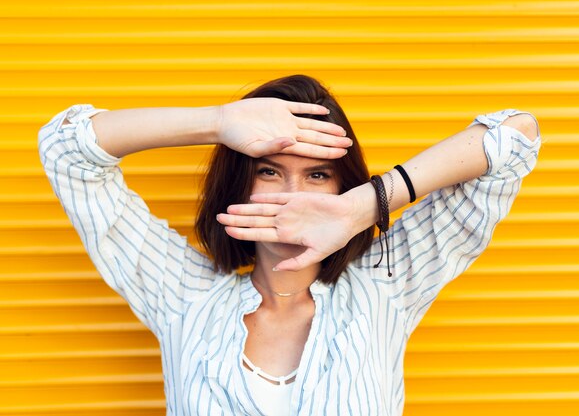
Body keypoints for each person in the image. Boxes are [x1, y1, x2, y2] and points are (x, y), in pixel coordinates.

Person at [38, 74, 540, 416]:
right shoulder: (183, 298)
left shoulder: (390, 283)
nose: (294, 196)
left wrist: (365, 206)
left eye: (318, 175)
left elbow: (515, 135)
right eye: (269, 171)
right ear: (241, 186)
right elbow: (66, 149)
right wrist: (217, 122)